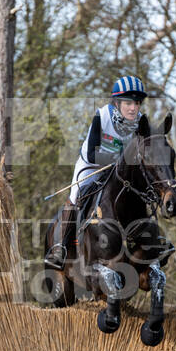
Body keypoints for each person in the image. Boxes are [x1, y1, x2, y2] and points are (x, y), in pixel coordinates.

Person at [45, 76, 148, 270]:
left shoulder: (141, 122)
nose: (133, 108)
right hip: (91, 166)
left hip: (121, 173)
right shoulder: (102, 116)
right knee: (76, 197)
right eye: (128, 102)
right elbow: (92, 153)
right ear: (117, 102)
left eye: (136, 102)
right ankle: (60, 247)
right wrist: (118, 161)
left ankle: (148, 240)